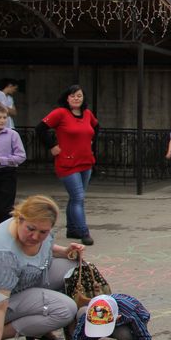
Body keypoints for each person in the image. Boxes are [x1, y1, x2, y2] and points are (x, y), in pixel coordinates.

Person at [0, 196, 83, 340]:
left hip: (25, 282)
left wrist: (66, 252)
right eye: (31, 229)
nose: (36, 236)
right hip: (2, 298)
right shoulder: (3, 252)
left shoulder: (40, 226)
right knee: (64, 310)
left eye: (43, 232)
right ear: (19, 219)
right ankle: (2, 336)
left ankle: (39, 329)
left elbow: (47, 247)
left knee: (72, 268)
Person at [35, 84, 98, 246]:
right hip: (67, 163)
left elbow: (96, 127)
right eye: (73, 96)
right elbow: (40, 129)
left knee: (76, 198)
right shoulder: (60, 113)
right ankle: (84, 231)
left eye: (79, 96)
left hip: (86, 161)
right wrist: (52, 146)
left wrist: (91, 141)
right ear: (67, 98)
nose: (76, 99)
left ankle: (72, 229)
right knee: (78, 197)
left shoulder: (87, 114)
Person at [0, 102, 25, 225]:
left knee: (4, 208)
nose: (2, 121)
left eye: (4, 117)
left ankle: (2, 236)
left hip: (6, 174)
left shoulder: (12, 134)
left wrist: (0, 160)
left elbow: (21, 156)